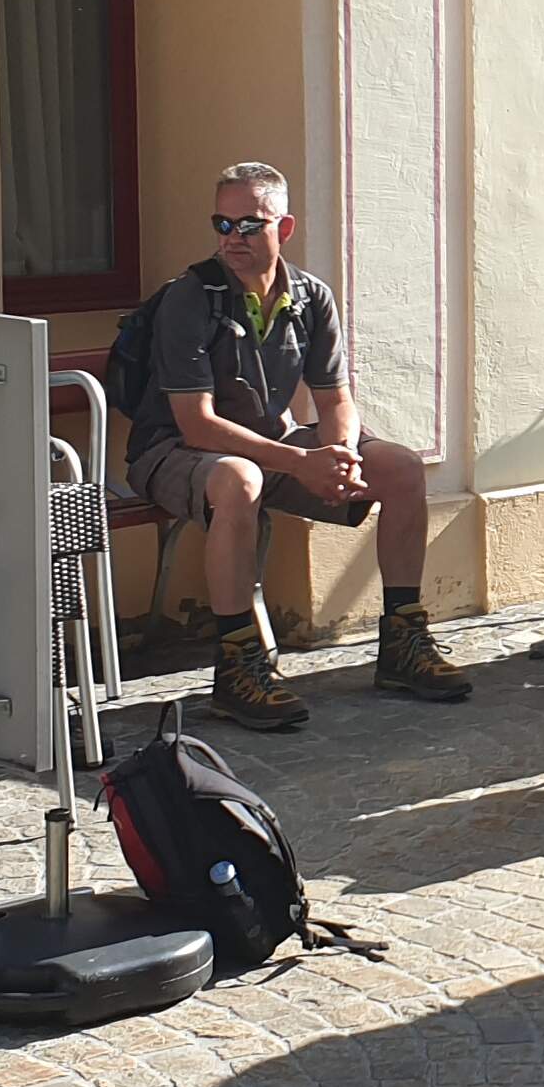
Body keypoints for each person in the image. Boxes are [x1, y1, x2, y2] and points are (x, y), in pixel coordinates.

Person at [110, 162, 467, 731]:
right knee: (238, 480)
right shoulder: (190, 298)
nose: (232, 239)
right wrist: (303, 462)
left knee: (398, 468)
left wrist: (342, 453)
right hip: (173, 452)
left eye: (248, 225)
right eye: (221, 225)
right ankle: (237, 668)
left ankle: (403, 642)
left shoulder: (309, 296)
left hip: (271, 446)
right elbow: (197, 426)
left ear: (285, 228)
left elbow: (335, 399)